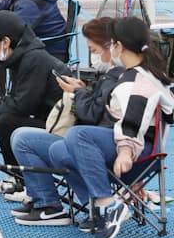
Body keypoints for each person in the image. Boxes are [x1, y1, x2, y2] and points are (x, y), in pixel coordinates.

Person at [49, 16, 174, 238]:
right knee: (59, 152)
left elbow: (132, 119)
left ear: (119, 46)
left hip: (138, 154)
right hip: (146, 151)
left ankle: (108, 205)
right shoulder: (147, 73)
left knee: (77, 135)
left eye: (111, 45)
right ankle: (97, 208)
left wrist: (125, 151)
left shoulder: (134, 81)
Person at [8, 17, 125, 226]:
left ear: (112, 47)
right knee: (21, 135)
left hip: (98, 145)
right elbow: (99, 108)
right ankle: (45, 202)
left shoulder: (117, 77)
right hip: (95, 141)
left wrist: (78, 93)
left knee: (35, 142)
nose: (93, 56)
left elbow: (92, 115)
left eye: (94, 50)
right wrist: (84, 91)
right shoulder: (110, 76)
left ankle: (70, 206)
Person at [0, 11, 66, 189]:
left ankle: (24, 182)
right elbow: (17, 100)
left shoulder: (33, 60)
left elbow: (21, 105)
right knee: (3, 116)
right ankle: (19, 178)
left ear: (5, 42)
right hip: (48, 120)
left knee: (6, 120)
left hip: (61, 130)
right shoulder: (22, 56)